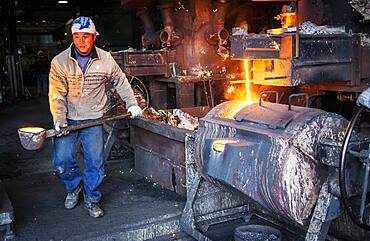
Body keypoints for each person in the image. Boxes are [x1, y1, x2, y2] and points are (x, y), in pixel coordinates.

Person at [48, 16, 142, 218]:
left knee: (95, 162)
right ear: (71, 37)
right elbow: (56, 94)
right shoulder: (60, 62)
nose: (81, 41)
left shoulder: (106, 59)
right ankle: (75, 187)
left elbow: (121, 82)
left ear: (94, 36)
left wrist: (132, 103)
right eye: (77, 36)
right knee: (61, 160)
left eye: (86, 36)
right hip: (69, 118)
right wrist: (59, 119)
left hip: (94, 118)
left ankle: (92, 197)